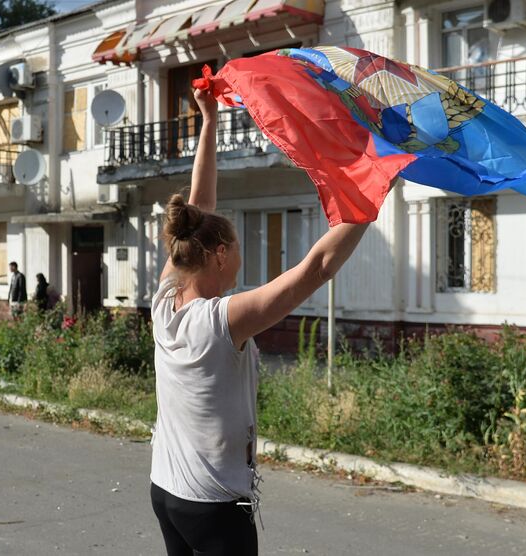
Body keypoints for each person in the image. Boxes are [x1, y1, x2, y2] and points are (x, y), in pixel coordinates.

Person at [149, 87, 374, 556]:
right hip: (213, 506)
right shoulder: (219, 321)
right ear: (221, 255)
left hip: (166, 490)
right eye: (237, 245)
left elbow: (200, 202)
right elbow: (316, 269)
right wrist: (373, 185)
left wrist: (209, 121)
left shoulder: (165, 296)